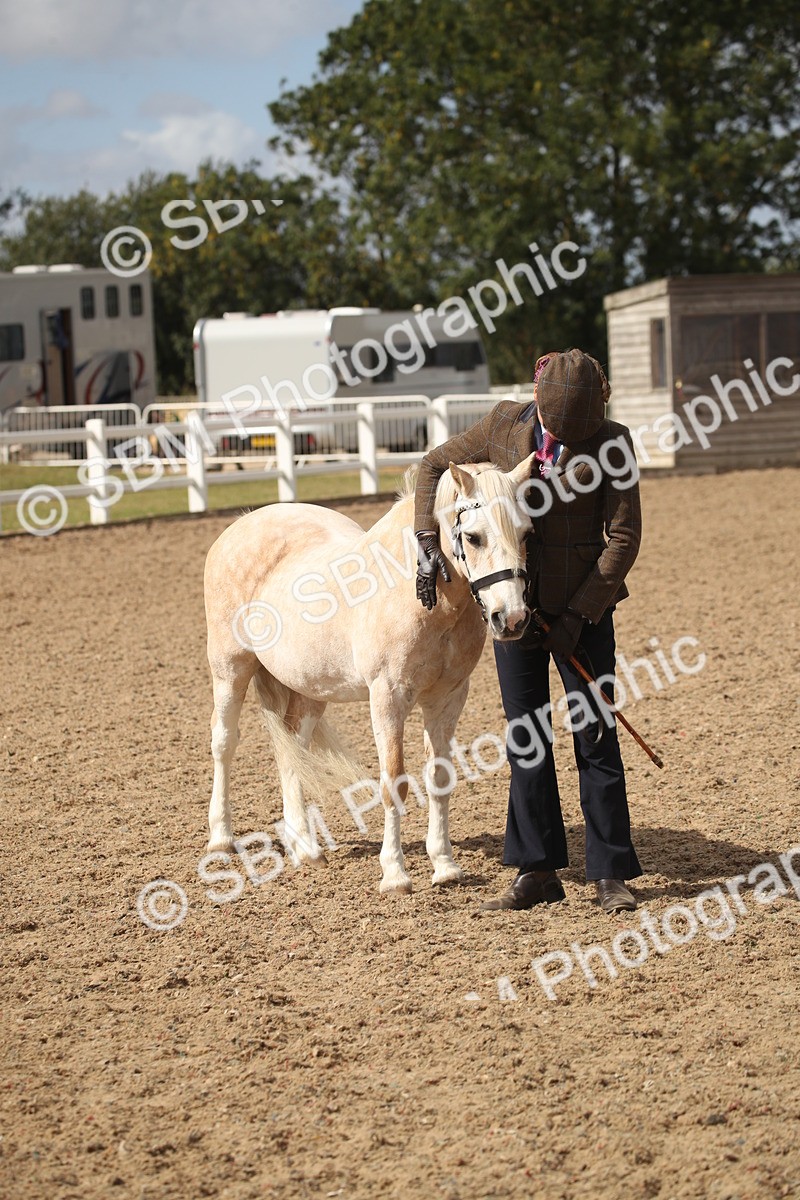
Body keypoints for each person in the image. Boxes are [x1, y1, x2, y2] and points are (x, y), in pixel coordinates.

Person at [414, 348, 642, 914]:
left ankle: (610, 871)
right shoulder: (503, 423)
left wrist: (578, 615)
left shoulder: (614, 441)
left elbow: (624, 538)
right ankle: (538, 870)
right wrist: (425, 540)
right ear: (537, 401)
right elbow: (432, 466)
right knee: (527, 740)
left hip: (582, 613)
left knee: (594, 735)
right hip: (509, 607)